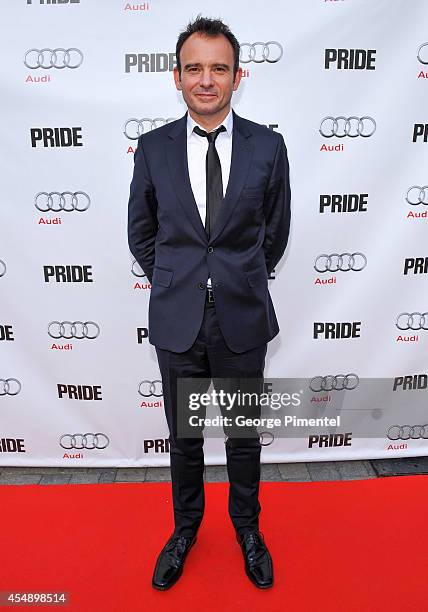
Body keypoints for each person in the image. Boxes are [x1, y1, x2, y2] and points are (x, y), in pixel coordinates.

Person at [127, 15, 291, 590]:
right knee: (184, 438)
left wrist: (237, 280)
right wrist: (179, 282)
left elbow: (275, 234)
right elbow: (141, 234)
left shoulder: (268, 147)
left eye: (218, 68)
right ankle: (184, 530)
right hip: (177, 322)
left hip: (241, 319)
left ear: (236, 76)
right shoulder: (152, 149)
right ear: (176, 77)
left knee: (243, 435)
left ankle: (248, 529)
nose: (205, 79)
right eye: (193, 67)